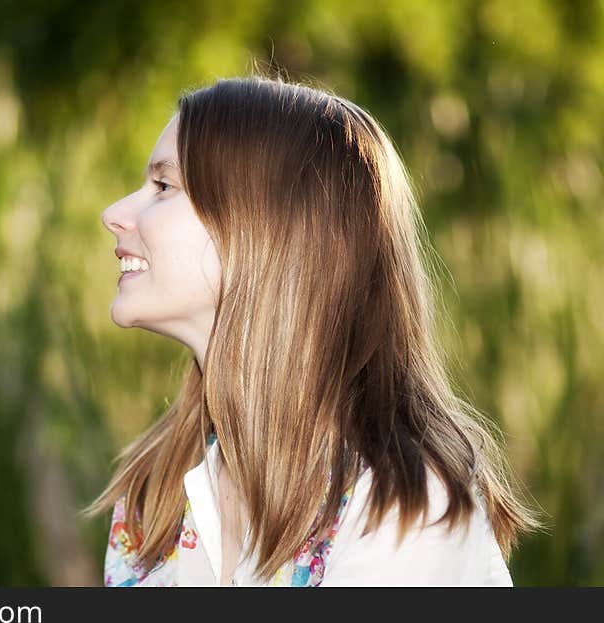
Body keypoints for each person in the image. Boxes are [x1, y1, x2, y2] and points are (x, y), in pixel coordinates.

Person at [82, 75, 544, 586]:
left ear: (270, 230)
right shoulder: (157, 493)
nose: (115, 214)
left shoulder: (402, 506)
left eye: (164, 186)